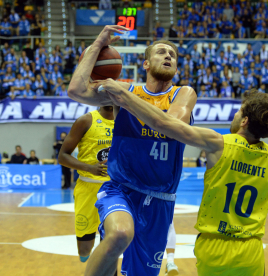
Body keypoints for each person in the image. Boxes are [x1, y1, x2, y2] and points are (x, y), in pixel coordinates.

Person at [100, 86, 268, 275]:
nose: (235, 115)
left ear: (245, 121)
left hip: (214, 246)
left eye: (239, 112)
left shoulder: (218, 143)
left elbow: (163, 124)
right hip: (251, 249)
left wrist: (125, 97)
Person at [67, 25, 196, 276]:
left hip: (160, 200)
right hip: (121, 189)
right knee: (120, 234)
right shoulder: (126, 89)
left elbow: (170, 124)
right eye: (161, 52)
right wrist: (97, 45)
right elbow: (76, 91)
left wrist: (122, 96)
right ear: (146, 64)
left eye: (172, 54)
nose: (168, 55)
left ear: (177, 68)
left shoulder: (184, 93)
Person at [58, 106, 114, 264]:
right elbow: (62, 156)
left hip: (114, 189)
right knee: (84, 251)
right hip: (87, 186)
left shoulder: (126, 120)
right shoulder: (85, 120)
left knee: (110, 244)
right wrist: (89, 168)